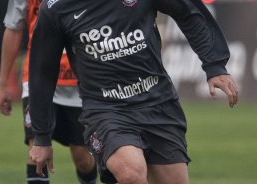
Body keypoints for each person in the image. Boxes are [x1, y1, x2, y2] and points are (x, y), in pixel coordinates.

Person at [28, 0, 238, 183]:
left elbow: (189, 11)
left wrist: (215, 66)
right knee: (131, 174)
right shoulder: (56, 8)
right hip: (105, 110)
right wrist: (42, 137)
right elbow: (42, 72)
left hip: (158, 103)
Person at [0, 0, 97, 183]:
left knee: (82, 157)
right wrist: (3, 83)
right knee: (37, 150)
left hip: (79, 81)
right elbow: (13, 27)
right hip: (37, 77)